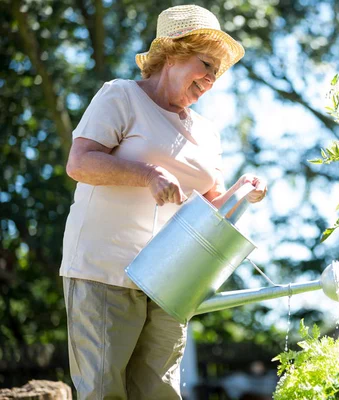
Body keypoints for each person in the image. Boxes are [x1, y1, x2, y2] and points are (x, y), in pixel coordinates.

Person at [60, 5, 267, 399]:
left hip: (171, 281)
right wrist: (147, 175)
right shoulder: (120, 96)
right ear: (172, 52)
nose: (210, 79)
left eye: (217, 73)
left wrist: (243, 191)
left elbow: (211, 208)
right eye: (205, 64)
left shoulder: (207, 132)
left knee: (160, 392)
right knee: (104, 390)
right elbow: (79, 162)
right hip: (104, 270)